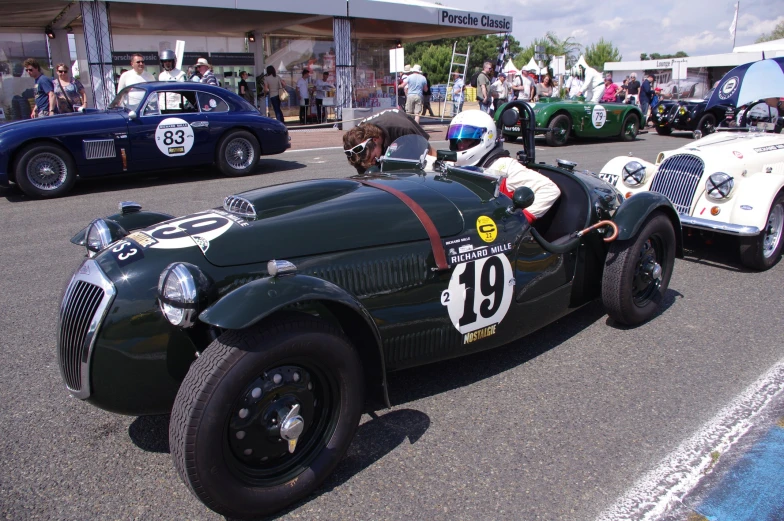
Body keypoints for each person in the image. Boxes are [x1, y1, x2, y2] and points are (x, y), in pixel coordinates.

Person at [446, 110, 560, 223]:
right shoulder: (451, 164)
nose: (460, 144)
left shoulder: (505, 167)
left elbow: (550, 189)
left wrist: (520, 220)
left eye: (466, 140)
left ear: (486, 137)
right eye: (455, 139)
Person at [342, 108, 430, 174]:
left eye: (373, 159)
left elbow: (430, 153)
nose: (371, 164)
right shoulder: (358, 147)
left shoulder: (403, 129)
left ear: (375, 140)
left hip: (401, 132)